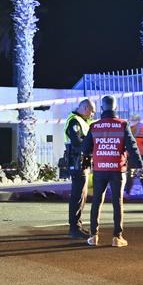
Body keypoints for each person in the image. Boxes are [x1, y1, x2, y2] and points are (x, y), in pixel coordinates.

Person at [80, 95, 143, 247]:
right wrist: (140, 166)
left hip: (100, 169)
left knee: (97, 201)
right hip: (117, 169)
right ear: (115, 108)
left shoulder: (94, 126)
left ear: (102, 108)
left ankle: (93, 236)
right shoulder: (123, 124)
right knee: (117, 202)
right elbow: (132, 146)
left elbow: (85, 148)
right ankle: (117, 237)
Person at [65, 99, 95, 238]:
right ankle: (74, 228)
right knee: (78, 195)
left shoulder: (83, 121)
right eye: (91, 110)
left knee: (81, 195)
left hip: (83, 162)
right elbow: (77, 142)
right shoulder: (74, 121)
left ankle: (77, 226)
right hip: (77, 161)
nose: (93, 114)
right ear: (84, 107)